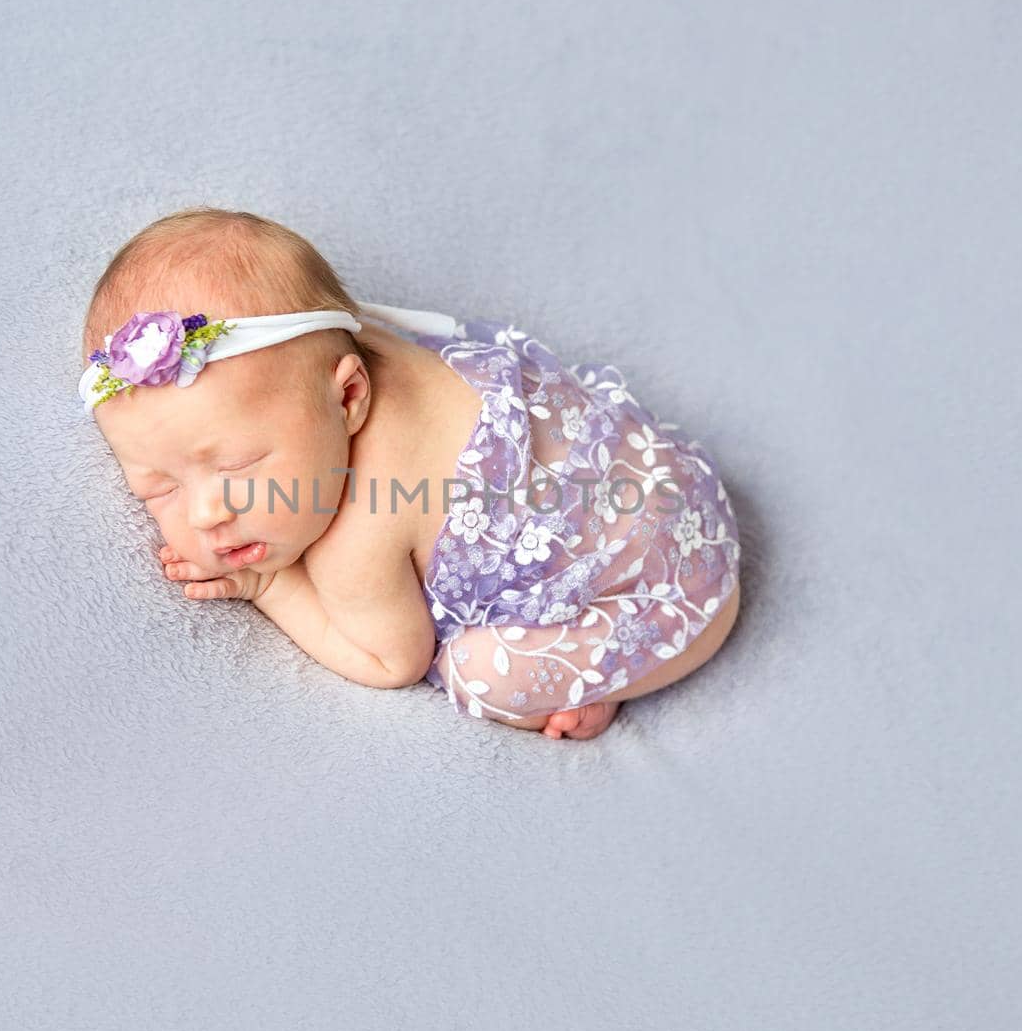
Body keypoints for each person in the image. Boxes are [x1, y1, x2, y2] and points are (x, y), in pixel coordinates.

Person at [78, 207, 741, 740]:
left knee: (475, 672)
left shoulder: (356, 541)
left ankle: (603, 682)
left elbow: (391, 662)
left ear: (347, 396)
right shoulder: (371, 337)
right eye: (157, 488)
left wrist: (270, 585)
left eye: (239, 466)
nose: (205, 515)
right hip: (666, 485)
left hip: (673, 607)